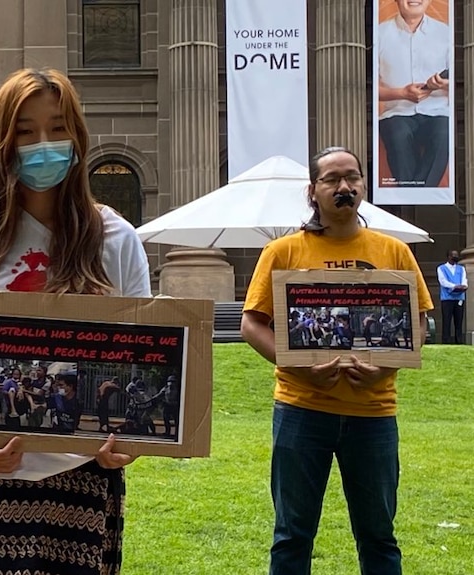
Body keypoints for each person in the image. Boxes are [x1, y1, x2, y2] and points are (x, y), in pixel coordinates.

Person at [0, 68, 151, 574]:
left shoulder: (116, 237)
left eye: (58, 127)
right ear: (4, 141)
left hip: (84, 470)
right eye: (25, 131)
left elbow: (141, 354)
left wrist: (129, 438)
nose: (43, 144)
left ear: (78, 136)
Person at [240, 147, 433, 575]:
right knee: (291, 535)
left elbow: (418, 322)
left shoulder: (395, 251)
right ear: (313, 191)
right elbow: (251, 325)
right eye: (331, 179)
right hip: (300, 410)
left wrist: (386, 366)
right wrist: (297, 364)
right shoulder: (282, 252)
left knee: (379, 536)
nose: (343, 187)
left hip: (374, 414)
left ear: (363, 186)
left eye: (352, 178)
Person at [377, 0, 451, 187]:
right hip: (396, 114)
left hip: (438, 113)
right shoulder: (379, 34)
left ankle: (410, 196)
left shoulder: (446, 34)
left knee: (445, 133)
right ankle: (417, 197)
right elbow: (367, 89)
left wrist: (443, 85)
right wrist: (401, 93)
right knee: (397, 133)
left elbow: (462, 84)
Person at [437, 249, 467, 344]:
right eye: (454, 255)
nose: (455, 257)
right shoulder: (441, 268)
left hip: (459, 298)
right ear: (449, 256)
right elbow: (443, 281)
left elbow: (464, 279)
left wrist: (463, 286)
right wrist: (454, 286)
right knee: (447, 320)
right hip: (447, 298)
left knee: (459, 321)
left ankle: (459, 341)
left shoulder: (461, 268)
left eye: (456, 255)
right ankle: (446, 341)